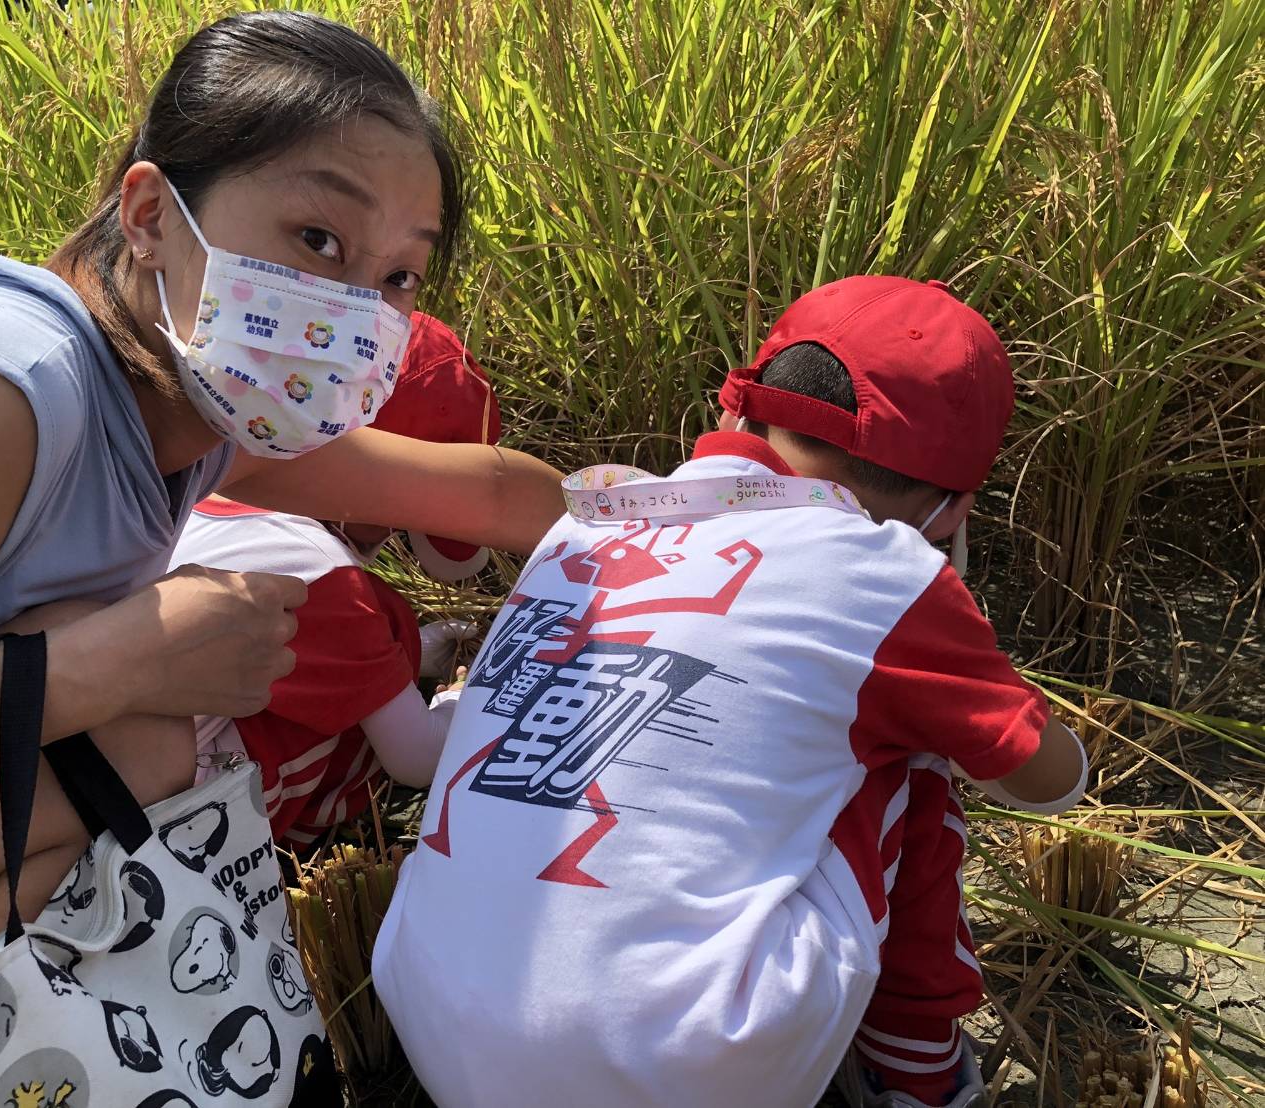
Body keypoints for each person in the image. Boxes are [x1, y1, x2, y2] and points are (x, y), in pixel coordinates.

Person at [0, 10, 564, 1063]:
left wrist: (690, 518)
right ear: (149, 214)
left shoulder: (184, 420)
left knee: (140, 745)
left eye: (396, 277)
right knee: (130, 731)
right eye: (317, 240)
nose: (350, 313)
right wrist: (105, 664)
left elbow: (480, 494)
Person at [371, 276, 1089, 1108]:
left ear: (734, 412)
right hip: (679, 1066)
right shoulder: (888, 572)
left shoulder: (588, 520)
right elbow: (1049, 784)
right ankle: (916, 1072)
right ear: (951, 510)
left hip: (429, 1011)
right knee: (913, 750)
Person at [169, 313, 500, 850]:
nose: (390, 533)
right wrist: (466, 702)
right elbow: (418, 760)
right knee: (378, 639)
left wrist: (413, 653)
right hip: (182, 825)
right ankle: (295, 841)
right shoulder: (323, 574)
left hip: (109, 766)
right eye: (403, 517)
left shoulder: (208, 485)